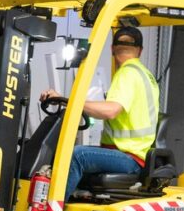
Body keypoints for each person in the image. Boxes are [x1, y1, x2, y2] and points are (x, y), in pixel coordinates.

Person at [40, 26, 159, 200]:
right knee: (73, 155)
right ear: (140, 51)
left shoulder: (127, 73)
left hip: (129, 158)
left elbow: (111, 110)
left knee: (77, 155)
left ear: (112, 48)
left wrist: (71, 101)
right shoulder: (146, 75)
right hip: (134, 155)